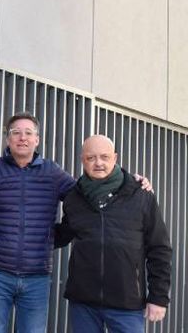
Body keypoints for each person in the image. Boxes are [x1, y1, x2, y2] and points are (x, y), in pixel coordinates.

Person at [0, 112, 152, 333]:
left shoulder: (52, 172)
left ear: (37, 139)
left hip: (36, 276)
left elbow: (88, 192)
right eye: (16, 133)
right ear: (8, 138)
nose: (22, 138)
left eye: (29, 133)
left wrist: (130, 182)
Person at [55, 135, 171, 333]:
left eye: (104, 157)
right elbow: (64, 233)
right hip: (84, 302)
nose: (98, 163)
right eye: (91, 158)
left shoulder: (141, 194)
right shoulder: (74, 197)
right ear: (82, 160)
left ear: (115, 158)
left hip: (127, 303)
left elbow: (159, 248)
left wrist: (159, 298)